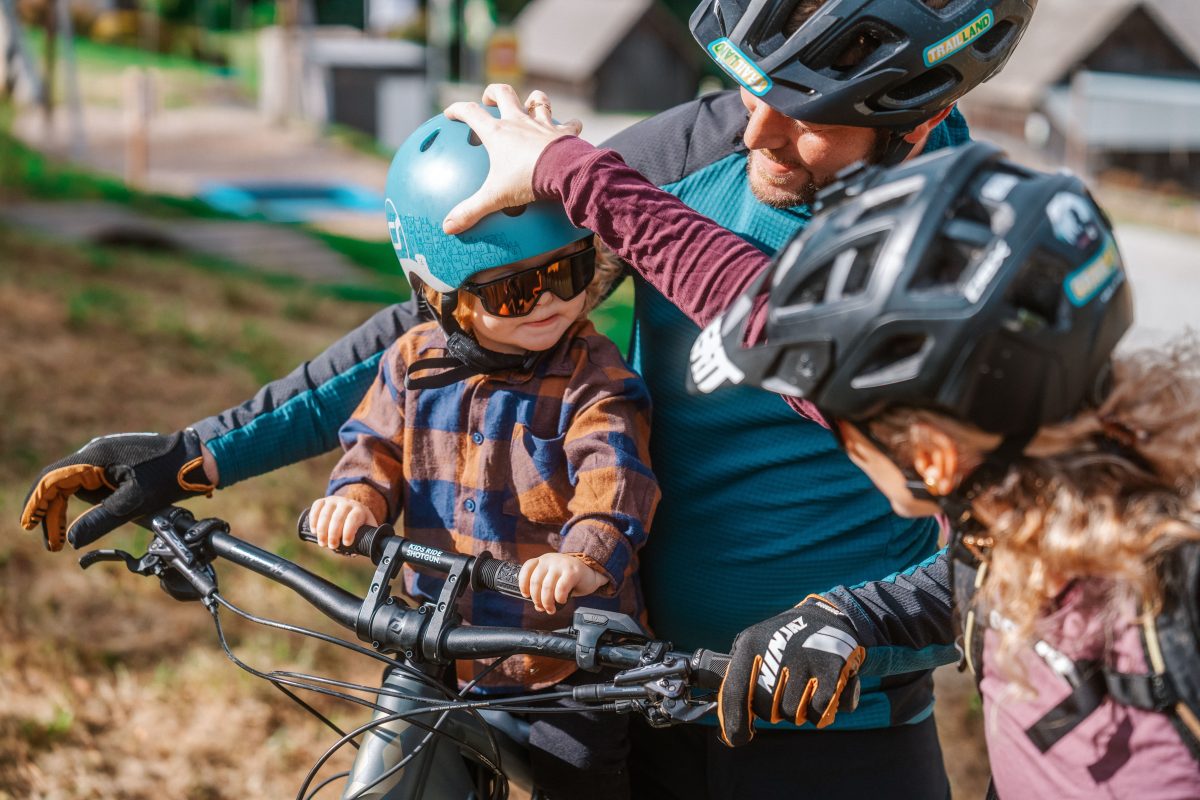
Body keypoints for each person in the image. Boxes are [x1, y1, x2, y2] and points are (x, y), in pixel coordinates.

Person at [20, 1, 1037, 795]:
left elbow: (1012, 532)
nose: (759, 124)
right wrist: (198, 454)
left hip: (834, 736)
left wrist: (862, 621)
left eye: (810, 109)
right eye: (747, 82)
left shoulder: (977, 253)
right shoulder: (700, 151)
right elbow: (455, 329)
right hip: (621, 684)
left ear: (921, 111)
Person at [437, 99, 1200, 796]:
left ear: (927, 460)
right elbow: (979, 576)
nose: (815, 413)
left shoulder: (1157, 664)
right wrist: (856, 616)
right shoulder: (1058, 516)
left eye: (832, 418)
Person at [308, 110, 659, 799]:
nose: (552, 300)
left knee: (579, 781)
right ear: (437, 294)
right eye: (513, 289)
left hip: (567, 661)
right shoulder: (411, 363)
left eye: (571, 270)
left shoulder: (595, 377)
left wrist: (583, 557)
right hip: (442, 643)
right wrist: (356, 496)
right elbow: (372, 443)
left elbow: (614, 478)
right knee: (402, 770)